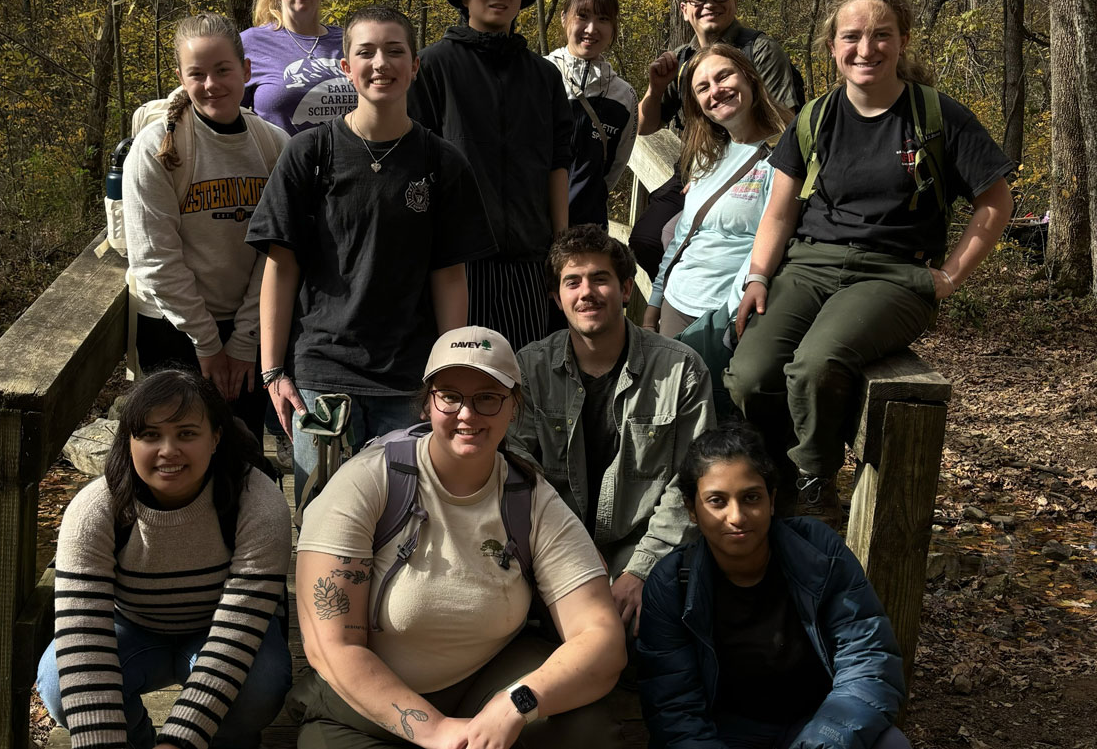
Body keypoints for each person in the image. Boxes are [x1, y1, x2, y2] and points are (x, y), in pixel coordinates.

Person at [725, 0, 1014, 527]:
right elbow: (780, 212)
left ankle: (813, 488)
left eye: (882, 35)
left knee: (815, 364)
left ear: (903, 40)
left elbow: (996, 199)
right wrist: (759, 276)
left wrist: (950, 275)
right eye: (852, 36)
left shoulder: (937, 118)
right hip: (809, 265)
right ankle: (777, 476)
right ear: (832, 46)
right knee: (749, 373)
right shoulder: (815, 119)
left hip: (894, 274)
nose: (866, 49)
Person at [292, 326, 626, 749]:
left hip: (486, 684)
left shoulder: (532, 499)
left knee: (589, 734)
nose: (467, 414)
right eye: (450, 395)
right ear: (428, 403)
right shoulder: (366, 481)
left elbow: (601, 637)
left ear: (513, 407)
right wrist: (436, 731)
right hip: (367, 707)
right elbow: (330, 645)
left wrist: (517, 703)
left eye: (487, 398)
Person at [247, 6, 495, 500]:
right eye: (366, 51)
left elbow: (450, 275)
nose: (381, 62)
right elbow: (281, 265)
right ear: (346, 67)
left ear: (415, 64)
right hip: (322, 375)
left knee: (405, 526)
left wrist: (444, 375)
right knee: (323, 525)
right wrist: (273, 371)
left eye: (394, 50)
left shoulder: (442, 162)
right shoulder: (310, 154)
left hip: (408, 382)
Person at [36, 369, 293, 749]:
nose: (168, 450)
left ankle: (225, 739)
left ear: (216, 438)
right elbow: (83, 632)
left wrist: (180, 742)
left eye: (187, 434)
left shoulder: (257, 501)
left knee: (261, 685)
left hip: (225, 628)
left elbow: (237, 633)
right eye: (151, 435)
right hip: (133, 628)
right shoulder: (94, 510)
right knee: (59, 681)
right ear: (129, 442)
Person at [637, 423, 911, 749]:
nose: (736, 516)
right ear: (691, 510)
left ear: (772, 499)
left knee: (891, 745)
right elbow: (675, 713)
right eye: (716, 501)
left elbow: (869, 662)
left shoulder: (818, 552)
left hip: (815, 724)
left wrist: (821, 741)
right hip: (724, 733)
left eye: (751, 497)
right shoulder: (671, 586)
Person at [509, 226, 715, 635]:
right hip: (552, 543)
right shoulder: (530, 369)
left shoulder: (682, 370)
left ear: (625, 290)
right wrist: (573, 551)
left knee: (654, 631)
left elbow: (692, 482)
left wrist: (640, 571)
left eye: (600, 278)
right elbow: (519, 468)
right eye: (573, 282)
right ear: (557, 298)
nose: (587, 292)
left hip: (644, 547)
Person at [124, 12, 289, 443]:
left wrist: (242, 340)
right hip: (173, 327)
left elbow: (277, 252)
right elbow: (155, 258)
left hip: (246, 327)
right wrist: (207, 344)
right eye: (197, 74)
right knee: (176, 453)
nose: (212, 84)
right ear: (180, 75)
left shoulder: (273, 145)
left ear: (246, 70)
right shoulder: (156, 149)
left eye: (223, 70)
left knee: (240, 447)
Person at [409, 0, 572, 352]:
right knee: (461, 371)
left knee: (524, 375)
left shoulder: (544, 76)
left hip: (528, 259)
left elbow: (557, 165)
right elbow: (414, 164)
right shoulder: (432, 67)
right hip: (456, 261)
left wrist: (561, 248)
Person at [641, 43, 793, 418]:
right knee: (665, 424)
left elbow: (778, 236)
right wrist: (654, 303)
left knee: (718, 430)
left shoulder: (786, 151)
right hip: (678, 305)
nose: (716, 90)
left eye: (724, 76)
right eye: (703, 87)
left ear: (749, 77)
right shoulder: (708, 155)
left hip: (728, 318)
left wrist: (729, 318)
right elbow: (682, 240)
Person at [632, 0, 801, 280]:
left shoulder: (761, 50)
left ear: (734, 1)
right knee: (647, 240)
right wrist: (656, 89)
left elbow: (785, 127)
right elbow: (644, 126)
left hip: (753, 172)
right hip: (693, 171)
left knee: (708, 245)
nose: (710, 3)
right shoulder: (681, 60)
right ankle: (685, 309)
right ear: (685, 9)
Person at [546, 0, 638, 229]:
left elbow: (614, 169)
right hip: (533, 230)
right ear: (564, 18)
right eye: (583, 16)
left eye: (603, 19)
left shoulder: (624, 96)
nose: (591, 28)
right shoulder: (539, 75)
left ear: (614, 26)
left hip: (588, 231)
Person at [241, 0, 356, 136]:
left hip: (350, 163)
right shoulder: (250, 43)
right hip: (281, 164)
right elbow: (227, 114)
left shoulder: (348, 41)